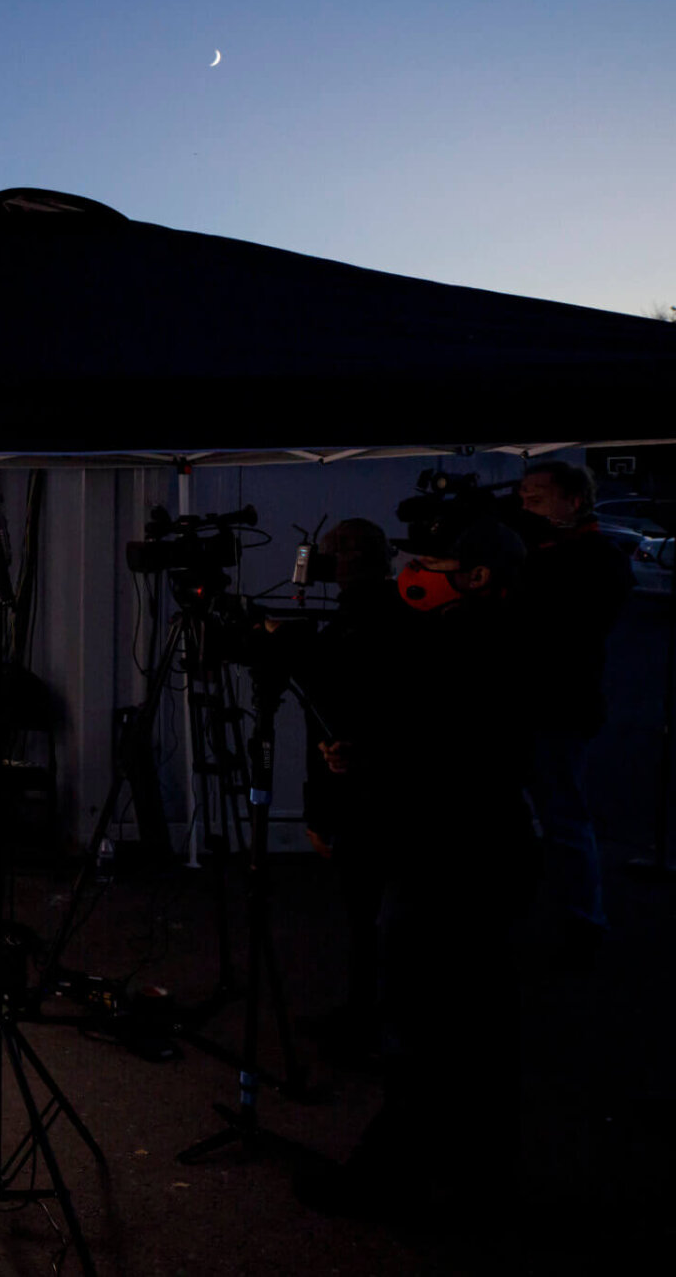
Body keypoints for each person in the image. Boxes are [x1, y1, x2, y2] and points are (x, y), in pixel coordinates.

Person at [298, 516, 536, 1219]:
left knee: (425, 1025)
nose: (413, 573)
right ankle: (476, 1181)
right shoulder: (505, 636)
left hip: (450, 857)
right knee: (479, 1026)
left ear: (477, 575)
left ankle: (391, 1183)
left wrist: (366, 762)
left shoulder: (466, 647)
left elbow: (444, 756)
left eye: (429, 561)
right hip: (490, 851)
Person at [514, 459, 634, 969]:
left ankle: (584, 922)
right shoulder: (545, 551)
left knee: (563, 818)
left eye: (538, 497)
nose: (528, 505)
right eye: (524, 497)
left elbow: (567, 623)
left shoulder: (596, 557)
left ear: (574, 499)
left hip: (560, 707)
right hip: (524, 704)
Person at [297, 518, 403, 1060]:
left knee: (370, 913)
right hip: (382, 787)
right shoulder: (397, 613)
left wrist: (319, 811)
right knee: (376, 914)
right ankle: (372, 1015)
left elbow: (329, 714)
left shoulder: (358, 627)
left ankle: (372, 1023)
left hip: (367, 790)